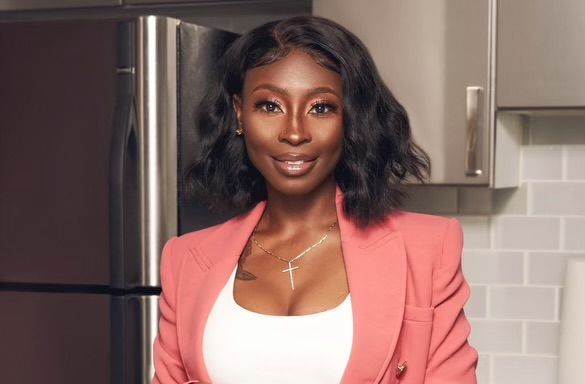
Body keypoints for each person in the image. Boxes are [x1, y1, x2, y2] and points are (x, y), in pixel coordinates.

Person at [152, 15, 478, 384]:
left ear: (350, 118)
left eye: (321, 107)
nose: (294, 132)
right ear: (240, 114)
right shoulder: (185, 260)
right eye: (270, 106)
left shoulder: (428, 249)